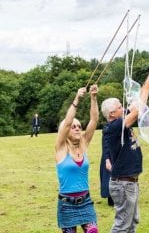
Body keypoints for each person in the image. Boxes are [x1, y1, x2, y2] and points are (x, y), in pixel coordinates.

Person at [101, 69, 149, 232]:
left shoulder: (119, 121)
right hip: (123, 184)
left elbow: (137, 105)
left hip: (129, 183)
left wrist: (148, 87)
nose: (123, 107)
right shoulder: (113, 127)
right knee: (122, 226)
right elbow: (138, 110)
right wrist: (146, 86)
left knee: (131, 223)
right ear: (112, 113)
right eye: (120, 107)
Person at [55, 85, 99, 233]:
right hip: (66, 205)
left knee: (92, 230)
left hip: (85, 201)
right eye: (74, 127)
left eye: (79, 126)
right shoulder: (61, 148)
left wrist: (93, 98)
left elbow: (94, 120)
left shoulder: (84, 145)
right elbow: (67, 123)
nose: (78, 128)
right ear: (66, 131)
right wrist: (77, 99)